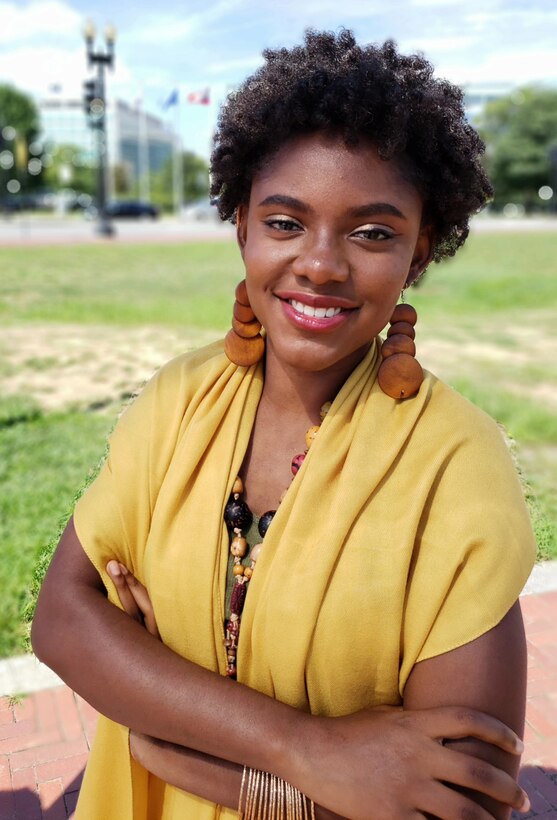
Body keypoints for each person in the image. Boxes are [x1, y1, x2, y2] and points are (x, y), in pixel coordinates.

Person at [32, 29, 536, 819]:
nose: (321, 264)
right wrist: (307, 749)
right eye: (284, 223)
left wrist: (183, 737)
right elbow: (63, 619)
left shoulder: (453, 463)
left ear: (419, 250)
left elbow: (460, 793)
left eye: (372, 233)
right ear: (241, 225)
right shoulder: (181, 399)